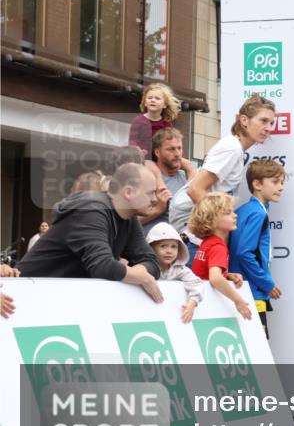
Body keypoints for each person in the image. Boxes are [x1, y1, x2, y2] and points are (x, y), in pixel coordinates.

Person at [18, 164, 163, 302]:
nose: (155, 199)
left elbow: (152, 263)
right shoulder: (91, 210)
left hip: (60, 299)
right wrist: (141, 276)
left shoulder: (129, 218)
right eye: (150, 193)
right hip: (24, 298)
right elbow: (101, 265)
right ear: (128, 192)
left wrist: (140, 273)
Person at [170, 95, 276, 259]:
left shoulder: (236, 149)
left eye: (271, 123)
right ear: (244, 120)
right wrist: (218, 228)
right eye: (263, 121)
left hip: (201, 241)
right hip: (196, 242)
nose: (269, 128)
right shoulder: (231, 148)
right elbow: (195, 189)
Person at [229, 160, 286, 337]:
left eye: (282, 182)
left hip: (242, 287)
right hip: (252, 291)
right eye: (275, 182)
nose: (281, 187)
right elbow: (244, 252)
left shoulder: (244, 209)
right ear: (257, 184)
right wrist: (267, 283)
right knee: (258, 349)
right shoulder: (258, 213)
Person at [189, 192, 252, 321]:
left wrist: (227, 275)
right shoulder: (218, 247)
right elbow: (215, 279)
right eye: (228, 213)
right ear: (212, 219)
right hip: (208, 307)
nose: (235, 215)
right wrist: (238, 300)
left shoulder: (207, 243)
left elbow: (207, 272)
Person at [146, 222, 203, 323]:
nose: (169, 251)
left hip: (170, 317)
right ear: (151, 248)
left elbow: (196, 283)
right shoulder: (144, 267)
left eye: (173, 247)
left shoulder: (180, 269)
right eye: (163, 246)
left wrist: (192, 303)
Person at [141, 128, 195, 233]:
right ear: (157, 152)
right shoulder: (146, 177)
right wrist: (158, 210)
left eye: (179, 148)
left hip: (180, 244)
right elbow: (129, 222)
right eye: (171, 149)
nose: (177, 154)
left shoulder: (186, 176)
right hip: (150, 245)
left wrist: (190, 168)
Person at [129, 83, 180, 158]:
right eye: (150, 98)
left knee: (187, 164)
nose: (153, 100)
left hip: (161, 157)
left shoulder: (166, 124)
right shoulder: (138, 121)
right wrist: (137, 150)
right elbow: (132, 140)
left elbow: (170, 142)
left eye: (157, 98)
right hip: (144, 157)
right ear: (145, 103)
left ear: (164, 105)